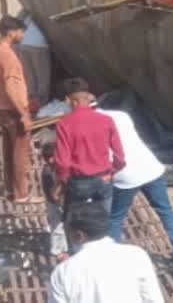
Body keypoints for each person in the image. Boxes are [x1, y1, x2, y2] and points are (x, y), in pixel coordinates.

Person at [102, 107, 173, 262]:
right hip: (151, 168)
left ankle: (112, 258)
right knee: (166, 211)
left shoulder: (90, 125)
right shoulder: (121, 115)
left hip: (125, 176)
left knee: (115, 218)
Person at [52, 78, 125, 250]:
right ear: (88, 97)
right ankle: (104, 256)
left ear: (71, 100)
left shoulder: (64, 124)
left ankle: (77, 256)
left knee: (74, 223)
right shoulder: (106, 120)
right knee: (103, 222)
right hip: (104, 178)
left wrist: (61, 181)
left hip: (79, 182)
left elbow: (62, 161)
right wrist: (113, 170)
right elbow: (120, 155)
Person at [48, 202, 164, 303]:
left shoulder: (62, 272)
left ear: (79, 235)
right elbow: (153, 299)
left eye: (67, 230)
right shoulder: (137, 255)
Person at [0, 15, 33, 201]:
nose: (22, 35)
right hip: (12, 109)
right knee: (20, 152)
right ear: (11, 33)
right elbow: (11, 88)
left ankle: (9, 188)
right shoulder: (9, 57)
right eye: (20, 31)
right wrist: (23, 114)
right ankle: (21, 193)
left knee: (8, 149)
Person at [18, 14, 52, 110]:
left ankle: (32, 104)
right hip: (39, 44)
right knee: (42, 76)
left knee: (30, 77)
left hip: (24, 43)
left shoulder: (28, 11)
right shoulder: (43, 8)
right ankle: (42, 106)